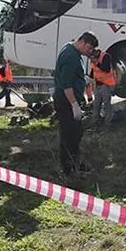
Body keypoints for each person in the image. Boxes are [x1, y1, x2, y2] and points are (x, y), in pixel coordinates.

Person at [53, 31, 98, 176]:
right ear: (82, 42)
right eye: (89, 48)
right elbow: (66, 84)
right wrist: (74, 105)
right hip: (66, 101)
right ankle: (68, 169)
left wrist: (82, 78)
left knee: (76, 133)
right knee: (69, 135)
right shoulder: (70, 56)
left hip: (70, 99)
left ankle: (75, 162)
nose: (90, 52)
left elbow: (72, 75)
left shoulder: (73, 51)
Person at [89, 48, 117, 127]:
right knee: (96, 104)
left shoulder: (105, 56)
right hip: (97, 84)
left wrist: (96, 62)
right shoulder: (93, 59)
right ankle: (94, 122)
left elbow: (106, 69)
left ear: (96, 53)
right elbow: (94, 70)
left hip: (106, 84)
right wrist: (90, 77)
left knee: (106, 104)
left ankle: (108, 123)